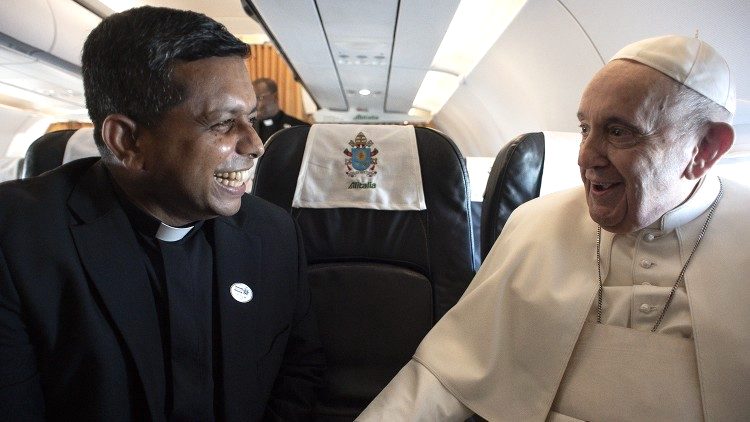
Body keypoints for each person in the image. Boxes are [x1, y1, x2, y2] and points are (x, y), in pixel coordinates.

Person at [358, 35, 748, 421]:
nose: (586, 157)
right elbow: (448, 374)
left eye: (618, 132)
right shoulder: (534, 224)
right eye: (584, 129)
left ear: (705, 149)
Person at [0, 6, 324, 421]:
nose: (255, 145)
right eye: (223, 123)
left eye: (252, 118)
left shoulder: (273, 233)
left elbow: (298, 372)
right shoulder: (17, 241)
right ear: (127, 141)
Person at [252, 77, 308, 141]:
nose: (254, 104)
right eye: (252, 99)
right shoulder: (249, 128)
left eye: (259, 98)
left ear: (275, 97)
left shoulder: (299, 128)